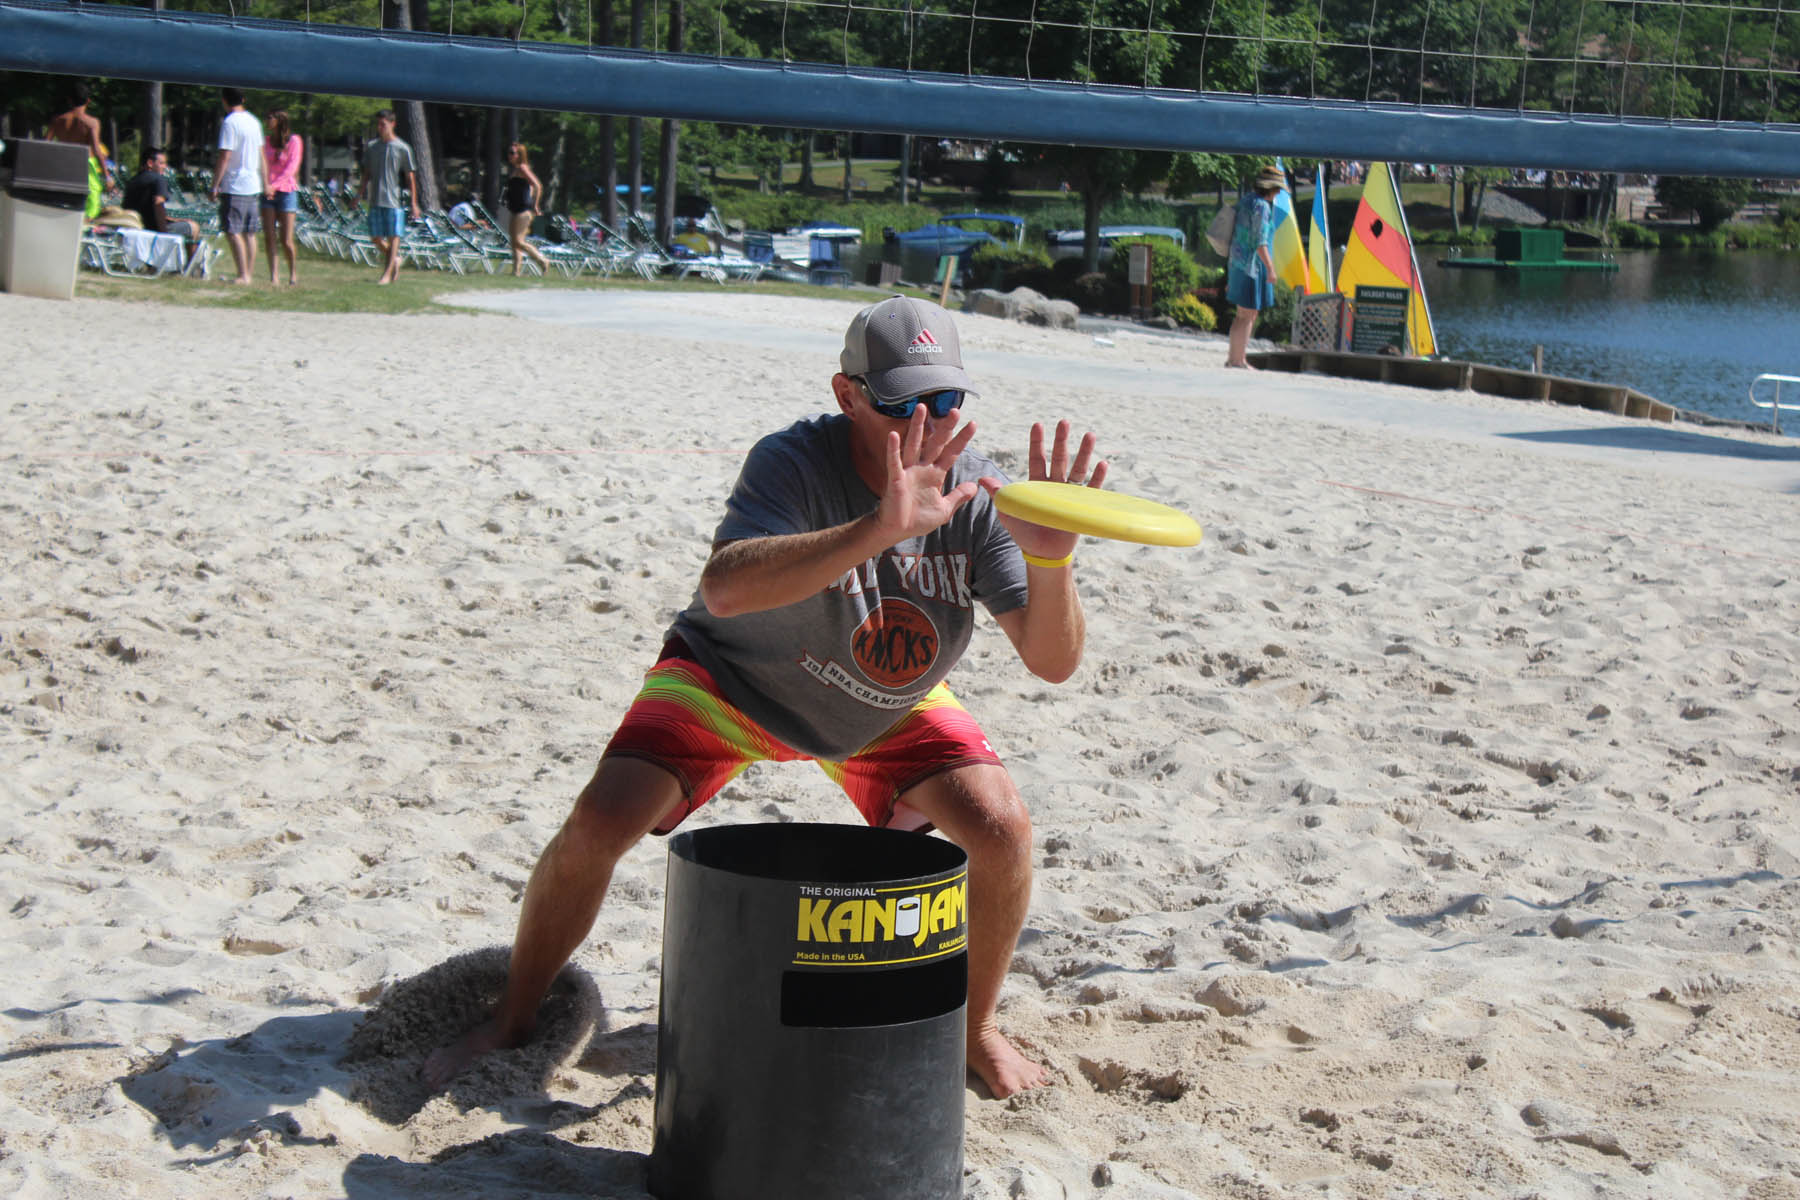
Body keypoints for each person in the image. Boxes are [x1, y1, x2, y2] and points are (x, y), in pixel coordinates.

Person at [424, 295, 1107, 1101]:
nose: (926, 421)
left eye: (946, 399)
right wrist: (876, 531)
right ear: (846, 394)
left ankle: (976, 1026)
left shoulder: (979, 493)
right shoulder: (791, 461)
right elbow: (724, 589)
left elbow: (1052, 662)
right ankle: (513, 1017)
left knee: (1002, 832)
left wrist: (1052, 564)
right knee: (600, 821)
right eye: (899, 403)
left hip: (883, 703)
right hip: (733, 680)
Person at [1225, 164, 1284, 369]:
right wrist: (1271, 268)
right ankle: (1239, 360)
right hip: (1252, 267)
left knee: (1241, 314)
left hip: (1236, 264)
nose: (1278, 193)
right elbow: (1260, 242)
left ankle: (1233, 358)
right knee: (1249, 314)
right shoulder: (1262, 207)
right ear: (1272, 189)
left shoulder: (1247, 201)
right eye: (1278, 189)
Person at [210, 87, 265, 286]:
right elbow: (260, 153)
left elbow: (225, 155)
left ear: (224, 100)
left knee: (232, 230)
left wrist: (215, 184)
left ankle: (243, 275)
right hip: (253, 183)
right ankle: (247, 273)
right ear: (243, 99)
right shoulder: (254, 122)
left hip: (235, 184)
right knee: (249, 232)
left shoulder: (230, 122)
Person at [357, 110, 420, 285]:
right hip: (376, 198)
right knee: (375, 237)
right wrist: (359, 194)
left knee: (394, 237)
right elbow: (367, 173)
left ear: (392, 124)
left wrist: (414, 203)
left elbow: (410, 177)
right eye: (378, 124)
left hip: (394, 200)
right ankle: (395, 260)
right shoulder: (372, 147)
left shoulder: (402, 148)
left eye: (383, 124)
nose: (380, 128)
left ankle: (386, 275)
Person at [122, 148, 202, 262]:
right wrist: (163, 232)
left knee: (184, 223)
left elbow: (144, 209)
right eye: (161, 163)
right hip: (153, 229)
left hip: (135, 227)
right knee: (193, 227)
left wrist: (173, 219)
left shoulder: (132, 181)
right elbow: (158, 204)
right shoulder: (158, 179)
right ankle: (191, 267)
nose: (165, 167)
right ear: (150, 163)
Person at [46, 82, 112, 219]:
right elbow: (96, 149)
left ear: (69, 100)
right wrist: (107, 176)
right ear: (88, 100)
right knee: (92, 201)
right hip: (84, 165)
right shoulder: (91, 123)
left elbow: (45, 143)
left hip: (63, 164)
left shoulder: (58, 120)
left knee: (65, 198)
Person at [260, 110, 303, 286]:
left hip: (286, 191)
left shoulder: (294, 141)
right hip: (268, 192)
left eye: (270, 117)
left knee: (286, 239)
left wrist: (274, 186)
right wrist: (265, 185)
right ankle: (274, 276)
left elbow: (291, 168)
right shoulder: (266, 142)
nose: (267, 121)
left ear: (279, 120)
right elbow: (262, 165)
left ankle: (292, 272)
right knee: (269, 236)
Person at [501, 142, 551, 276]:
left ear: (519, 155)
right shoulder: (516, 169)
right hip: (515, 208)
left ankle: (542, 260)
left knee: (518, 241)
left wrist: (535, 204)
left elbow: (537, 185)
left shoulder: (523, 168)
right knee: (514, 242)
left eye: (512, 153)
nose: (509, 155)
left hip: (523, 210)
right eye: (509, 152)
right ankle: (516, 271)